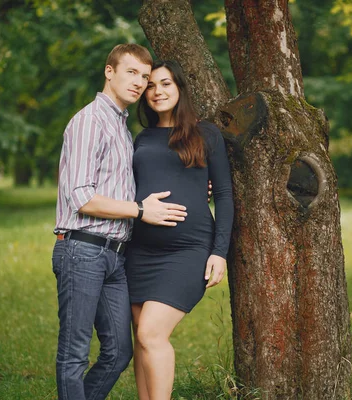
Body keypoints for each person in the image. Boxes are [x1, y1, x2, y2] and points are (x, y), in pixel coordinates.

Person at [51, 44, 189, 400]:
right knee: (74, 354)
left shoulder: (122, 128)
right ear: (109, 72)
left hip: (115, 256)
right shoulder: (88, 122)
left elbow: (134, 183)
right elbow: (80, 197)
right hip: (82, 249)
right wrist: (141, 211)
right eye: (132, 73)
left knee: (119, 353)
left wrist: (192, 186)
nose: (140, 83)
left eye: (145, 77)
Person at [125, 60, 234, 400]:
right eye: (151, 86)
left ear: (180, 88)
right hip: (140, 251)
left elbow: (226, 195)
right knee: (141, 340)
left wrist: (220, 251)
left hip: (188, 251)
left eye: (166, 84)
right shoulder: (141, 138)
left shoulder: (206, 134)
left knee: (151, 334)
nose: (158, 91)